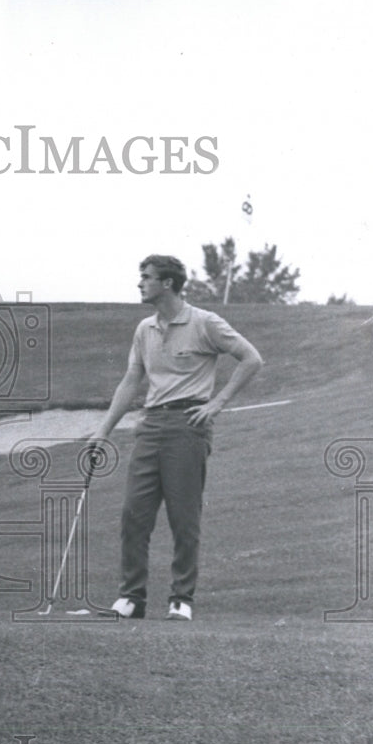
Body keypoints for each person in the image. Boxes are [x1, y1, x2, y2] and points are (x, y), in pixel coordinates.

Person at [89, 255, 262, 622]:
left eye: (146, 277)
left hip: (188, 426)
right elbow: (131, 380)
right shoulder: (144, 328)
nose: (140, 283)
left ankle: (181, 599)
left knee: (184, 518)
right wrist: (102, 430)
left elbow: (251, 358)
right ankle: (131, 598)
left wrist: (218, 403)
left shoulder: (204, 322)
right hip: (150, 426)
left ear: (167, 283)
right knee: (134, 514)